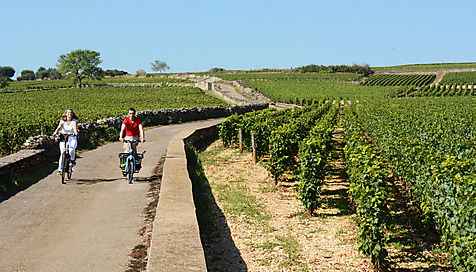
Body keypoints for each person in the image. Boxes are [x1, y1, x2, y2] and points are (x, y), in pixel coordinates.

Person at [53, 108, 79, 175]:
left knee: (71, 150)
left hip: (72, 137)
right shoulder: (62, 121)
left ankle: (72, 161)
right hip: (63, 137)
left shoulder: (74, 121)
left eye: (71, 113)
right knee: (62, 153)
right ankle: (60, 170)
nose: (69, 114)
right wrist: (55, 132)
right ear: (66, 114)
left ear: (72, 114)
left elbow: (75, 129)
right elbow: (59, 127)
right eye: (68, 113)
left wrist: (75, 133)